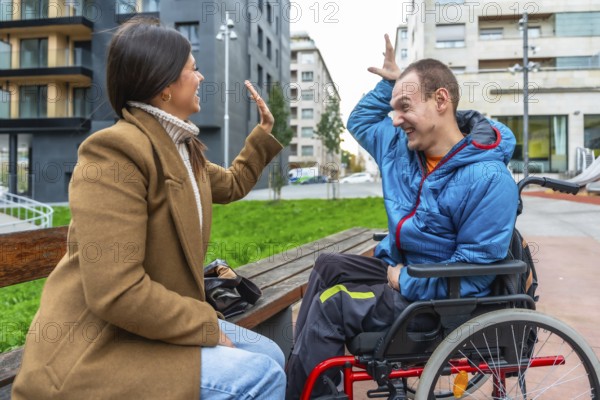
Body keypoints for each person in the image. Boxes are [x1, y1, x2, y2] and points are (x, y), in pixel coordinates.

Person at [12, 17, 286, 400]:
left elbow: (233, 183)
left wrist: (262, 134)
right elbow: (116, 291)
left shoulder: (181, 151)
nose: (202, 77)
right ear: (164, 86)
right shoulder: (114, 152)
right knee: (258, 376)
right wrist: (205, 324)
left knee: (270, 353)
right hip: (100, 346)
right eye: (193, 69)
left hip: (148, 324)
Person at [285, 34, 519, 399]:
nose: (395, 120)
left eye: (405, 106)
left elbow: (473, 276)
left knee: (333, 304)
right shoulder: (400, 148)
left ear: (441, 100)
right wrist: (391, 84)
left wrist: (405, 280)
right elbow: (360, 121)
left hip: (438, 300)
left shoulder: (489, 178)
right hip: (403, 271)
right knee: (328, 265)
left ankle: (306, 387)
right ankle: (302, 377)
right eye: (394, 108)